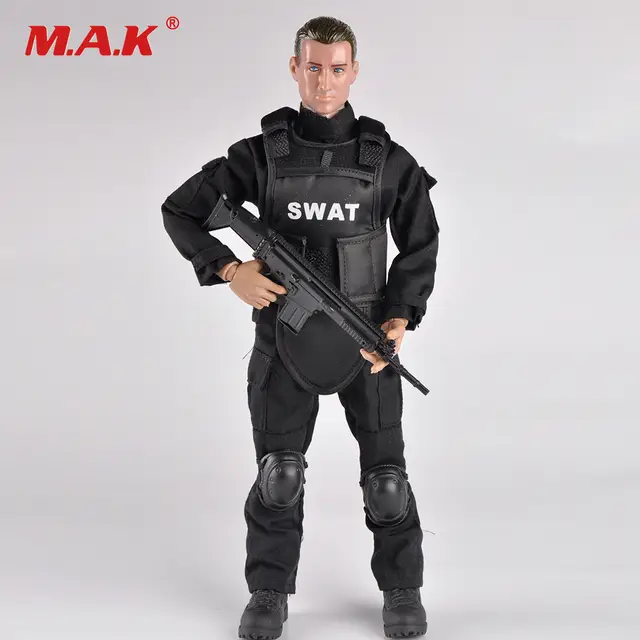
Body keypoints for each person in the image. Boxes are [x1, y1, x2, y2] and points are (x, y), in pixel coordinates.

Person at [161, 15, 440, 639]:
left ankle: (402, 587)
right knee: (279, 475)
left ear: (354, 71)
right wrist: (228, 269)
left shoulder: (386, 160)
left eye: (337, 68)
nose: (324, 81)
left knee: (387, 482)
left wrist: (401, 313)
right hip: (283, 342)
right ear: (295, 68)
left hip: (367, 343)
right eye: (313, 67)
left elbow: (420, 242)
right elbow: (181, 209)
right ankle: (268, 589)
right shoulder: (263, 155)